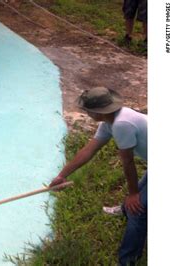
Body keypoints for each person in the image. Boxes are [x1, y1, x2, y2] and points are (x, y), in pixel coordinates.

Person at [49, 87, 147, 265]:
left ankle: (127, 260)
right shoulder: (109, 122)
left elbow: (128, 162)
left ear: (96, 112)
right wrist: (62, 175)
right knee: (139, 195)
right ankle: (124, 208)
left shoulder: (121, 124)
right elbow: (89, 150)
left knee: (139, 210)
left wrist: (133, 194)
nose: (85, 112)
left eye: (86, 110)